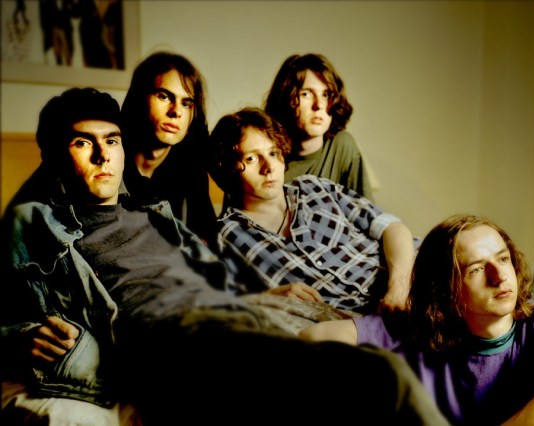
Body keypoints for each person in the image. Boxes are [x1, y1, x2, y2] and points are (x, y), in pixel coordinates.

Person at [0, 88, 450, 425]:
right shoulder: (33, 221)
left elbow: (215, 282)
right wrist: (19, 337)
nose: (104, 155)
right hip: (168, 343)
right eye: (82, 143)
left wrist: (263, 300)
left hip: (226, 321)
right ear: (54, 158)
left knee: (382, 375)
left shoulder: (157, 214)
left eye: (112, 140)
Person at [300, 214, 534, 425]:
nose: (499, 276)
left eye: (503, 259)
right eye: (476, 269)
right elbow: (315, 337)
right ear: (445, 288)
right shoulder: (415, 329)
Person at [209, 107, 416, 315]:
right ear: (227, 167)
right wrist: (267, 297)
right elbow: (210, 301)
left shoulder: (313, 187)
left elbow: (391, 227)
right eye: (251, 159)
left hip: (413, 275)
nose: (269, 167)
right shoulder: (225, 237)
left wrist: (399, 286)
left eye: (273, 153)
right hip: (364, 318)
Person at [121, 51, 218, 248]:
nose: (176, 112)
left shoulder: (192, 168)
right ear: (139, 97)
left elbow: (207, 241)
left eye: (186, 103)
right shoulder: (106, 157)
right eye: (164, 96)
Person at [264, 52, 375, 200]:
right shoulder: (266, 157)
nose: (319, 105)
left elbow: (366, 212)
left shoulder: (342, 146)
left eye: (326, 94)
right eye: (306, 94)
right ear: (285, 98)